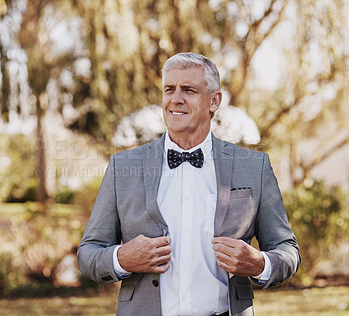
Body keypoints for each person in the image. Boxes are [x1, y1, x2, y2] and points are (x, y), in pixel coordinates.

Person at [77, 52, 300, 316]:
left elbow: (287, 250)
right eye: (169, 89)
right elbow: (88, 253)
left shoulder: (254, 166)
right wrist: (122, 259)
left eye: (189, 90)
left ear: (214, 101)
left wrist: (259, 263)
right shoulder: (123, 167)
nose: (176, 99)